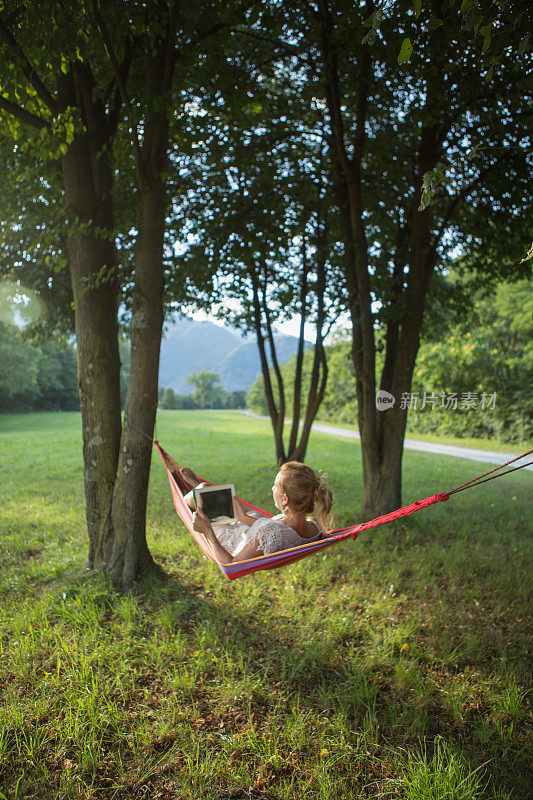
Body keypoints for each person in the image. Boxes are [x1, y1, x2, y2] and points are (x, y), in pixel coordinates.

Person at [180, 462, 333, 564]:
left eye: (274, 487)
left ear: (285, 499)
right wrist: (245, 519)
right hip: (253, 529)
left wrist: (207, 531)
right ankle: (201, 490)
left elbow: (231, 564)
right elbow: (277, 530)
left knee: (195, 498)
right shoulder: (314, 526)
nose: (272, 489)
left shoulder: (271, 532)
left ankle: (195, 492)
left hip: (231, 540)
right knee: (225, 500)